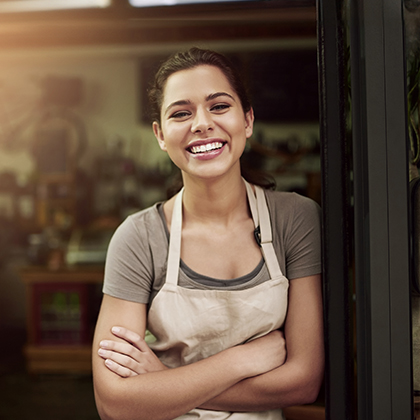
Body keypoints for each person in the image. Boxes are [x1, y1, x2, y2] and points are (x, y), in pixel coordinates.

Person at [92, 47, 324, 420]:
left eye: (219, 106)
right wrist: (241, 359)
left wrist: (165, 383)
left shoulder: (294, 220)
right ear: (160, 135)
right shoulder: (138, 237)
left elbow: (304, 380)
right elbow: (114, 403)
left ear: (247, 120)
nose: (201, 123)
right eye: (181, 113)